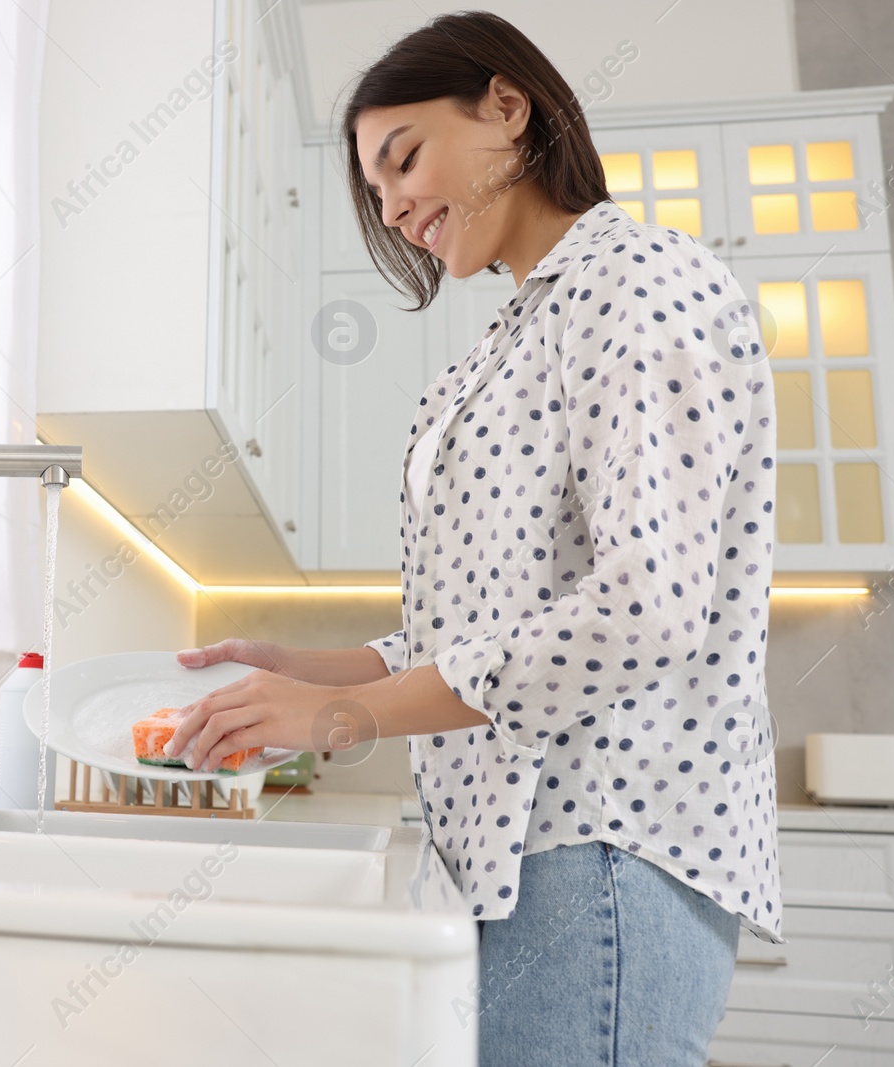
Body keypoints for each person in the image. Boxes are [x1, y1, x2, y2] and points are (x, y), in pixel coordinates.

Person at [167, 10, 782, 1066]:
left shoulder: (637, 281)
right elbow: (473, 634)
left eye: (402, 158)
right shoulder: (502, 345)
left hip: (600, 845)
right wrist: (301, 673)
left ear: (507, 104)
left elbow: (643, 606)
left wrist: (343, 710)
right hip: (510, 852)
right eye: (373, 190)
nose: (393, 204)